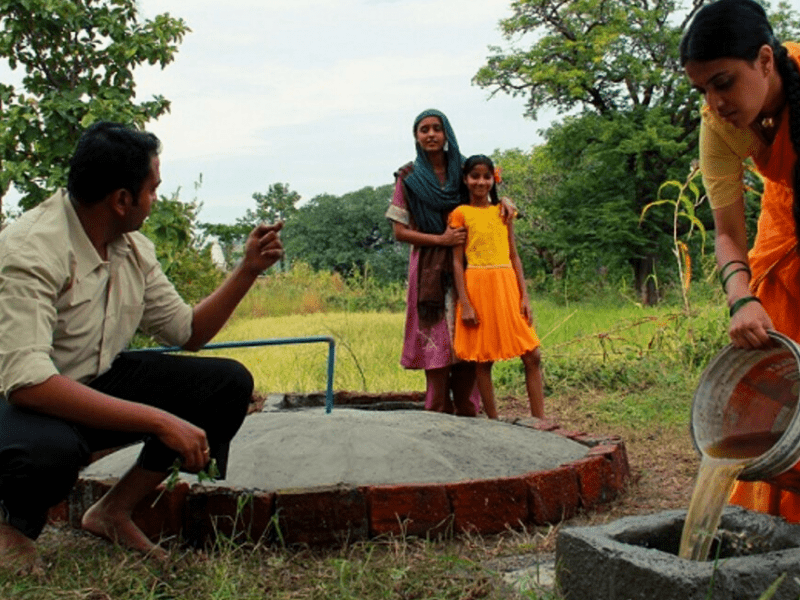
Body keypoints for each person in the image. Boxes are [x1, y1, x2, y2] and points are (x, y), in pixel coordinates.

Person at [0, 121, 284, 568]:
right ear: (121, 200)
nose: (155, 200)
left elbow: (187, 332)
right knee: (51, 451)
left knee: (226, 384)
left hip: (90, 383)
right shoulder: (30, 250)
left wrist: (247, 270)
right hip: (19, 405)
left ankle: (113, 512)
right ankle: (10, 526)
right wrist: (160, 421)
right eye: (152, 189)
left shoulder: (131, 249)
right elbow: (27, 383)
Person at [681, 0, 800, 520]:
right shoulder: (720, 125)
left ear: (767, 61)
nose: (714, 102)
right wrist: (741, 300)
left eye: (723, 82)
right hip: (787, 229)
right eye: (702, 89)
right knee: (779, 386)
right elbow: (728, 234)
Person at [386, 108, 480, 416]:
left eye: (436, 128)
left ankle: (471, 429)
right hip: (428, 268)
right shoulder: (409, 177)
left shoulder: (466, 171)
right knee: (436, 357)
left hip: (468, 266)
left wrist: (504, 202)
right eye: (423, 129)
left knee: (470, 353)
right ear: (416, 136)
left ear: (446, 133)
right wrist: (441, 240)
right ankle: (436, 426)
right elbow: (400, 231)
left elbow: (487, 200)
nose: (430, 134)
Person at [450, 155, 545, 420]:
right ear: (466, 180)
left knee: (532, 355)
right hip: (478, 286)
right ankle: (494, 421)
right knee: (483, 359)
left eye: (486, 176)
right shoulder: (460, 214)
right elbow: (457, 263)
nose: (481, 182)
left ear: (494, 179)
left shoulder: (504, 211)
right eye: (475, 176)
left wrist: (524, 295)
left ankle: (540, 420)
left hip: (507, 285)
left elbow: (514, 255)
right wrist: (465, 303)